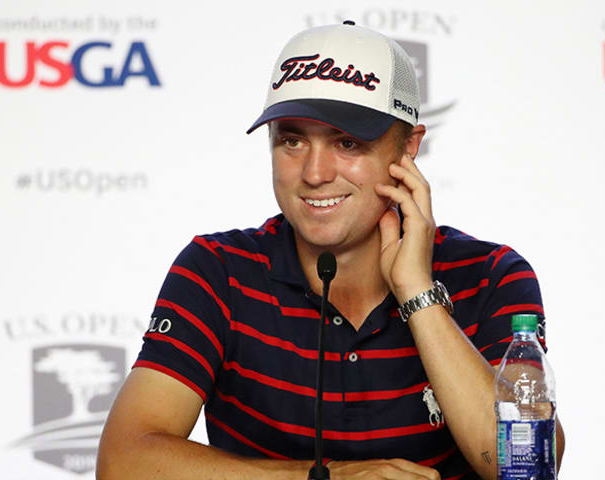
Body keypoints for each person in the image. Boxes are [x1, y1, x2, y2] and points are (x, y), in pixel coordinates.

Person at [97, 22, 564, 480]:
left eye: (347, 142)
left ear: (408, 147)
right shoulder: (219, 271)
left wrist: (418, 294)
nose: (315, 173)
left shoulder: (490, 275)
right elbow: (124, 463)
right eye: (292, 140)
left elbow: (521, 467)